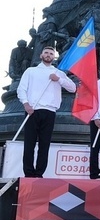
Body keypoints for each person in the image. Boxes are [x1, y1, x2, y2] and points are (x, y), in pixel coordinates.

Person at [17, 46, 76, 177]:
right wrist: (26, 104)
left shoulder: (58, 72)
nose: (48, 55)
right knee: (29, 143)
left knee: (44, 144)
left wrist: (59, 79)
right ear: (41, 55)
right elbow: (21, 89)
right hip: (33, 110)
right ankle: (28, 172)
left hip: (49, 111)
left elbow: (72, 88)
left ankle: (39, 173)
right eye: (46, 53)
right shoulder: (31, 71)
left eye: (51, 53)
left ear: (53, 57)